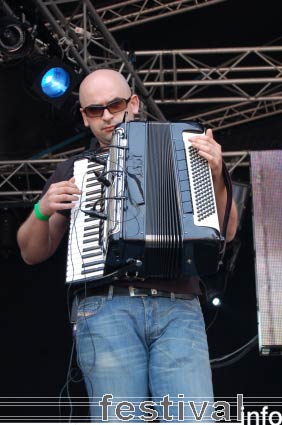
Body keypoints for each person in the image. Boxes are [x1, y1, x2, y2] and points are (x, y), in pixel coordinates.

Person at [17, 69, 238, 422]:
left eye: (115, 104)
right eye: (94, 110)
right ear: (84, 118)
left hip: (179, 308)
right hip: (105, 310)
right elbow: (31, 252)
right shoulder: (74, 171)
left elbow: (226, 233)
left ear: (133, 104)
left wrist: (216, 175)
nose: (106, 116)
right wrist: (41, 211)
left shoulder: (189, 154)